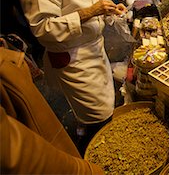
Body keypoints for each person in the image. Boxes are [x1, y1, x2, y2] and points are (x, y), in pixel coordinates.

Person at [15, 0, 127, 153]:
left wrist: (107, 10)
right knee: (96, 113)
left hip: (94, 51)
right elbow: (43, 29)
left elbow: (90, 1)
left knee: (104, 105)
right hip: (74, 59)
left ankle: (101, 142)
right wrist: (90, 12)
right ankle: (93, 155)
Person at [0, 46, 103, 174]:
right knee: (89, 108)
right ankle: (88, 131)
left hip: (91, 57)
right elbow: (16, 154)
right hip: (73, 59)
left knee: (99, 106)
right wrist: (87, 171)